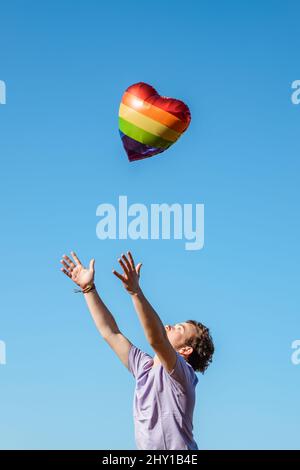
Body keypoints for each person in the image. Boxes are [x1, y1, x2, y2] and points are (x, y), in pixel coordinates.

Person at [60, 251, 214, 450]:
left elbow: (157, 339)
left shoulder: (183, 376)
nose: (169, 326)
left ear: (185, 350)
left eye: (178, 329)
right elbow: (111, 333)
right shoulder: (144, 367)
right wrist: (88, 289)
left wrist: (135, 293)